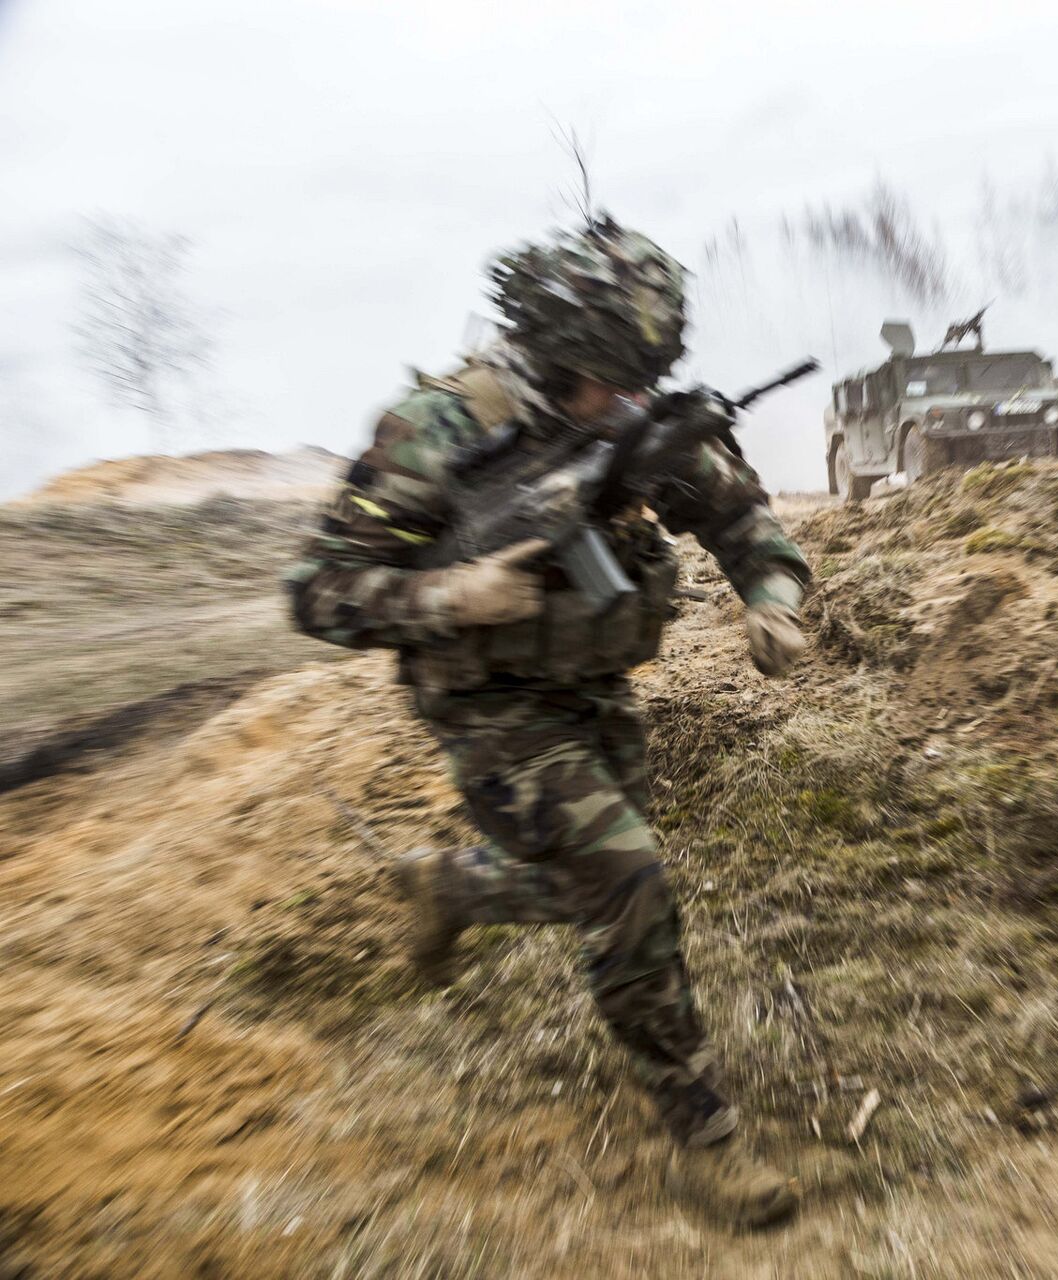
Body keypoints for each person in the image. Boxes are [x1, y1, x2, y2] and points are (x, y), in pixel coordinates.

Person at [285, 217, 808, 1228]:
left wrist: (774, 597)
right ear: (549, 351)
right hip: (482, 701)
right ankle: (706, 1134)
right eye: (603, 383)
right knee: (627, 877)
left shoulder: (636, 421)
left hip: (593, 684)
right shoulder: (435, 429)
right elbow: (316, 593)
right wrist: (448, 597)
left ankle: (450, 885)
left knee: (600, 889)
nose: (622, 403)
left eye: (636, 382)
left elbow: (743, 518)